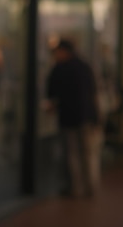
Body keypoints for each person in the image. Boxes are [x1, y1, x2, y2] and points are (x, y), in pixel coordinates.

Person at [45, 38, 102, 198]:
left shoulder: (59, 68)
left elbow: (51, 96)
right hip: (87, 117)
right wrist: (97, 118)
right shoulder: (85, 67)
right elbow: (94, 94)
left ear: (63, 51)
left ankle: (75, 188)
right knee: (88, 153)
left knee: (71, 154)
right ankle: (91, 187)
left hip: (68, 117)